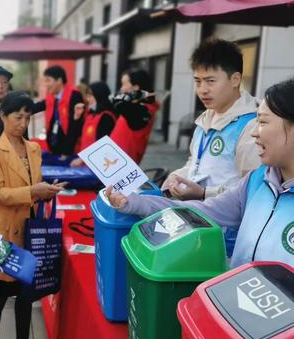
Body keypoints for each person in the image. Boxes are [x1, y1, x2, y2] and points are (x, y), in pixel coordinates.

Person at [107, 78, 294, 269]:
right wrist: (136, 202)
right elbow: (197, 213)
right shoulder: (257, 180)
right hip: (233, 294)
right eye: (197, 80)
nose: (254, 133)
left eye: (262, 122)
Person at [0, 91, 65, 339]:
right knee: (0, 293)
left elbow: (33, 186)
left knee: (27, 292)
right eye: (18, 116)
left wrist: (46, 192)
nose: (23, 122)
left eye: (28, 117)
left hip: (31, 230)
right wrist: (34, 191)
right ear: (3, 116)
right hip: (5, 233)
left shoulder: (34, 148)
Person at [162, 38, 260, 200]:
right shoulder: (205, 119)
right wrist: (176, 177)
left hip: (226, 222)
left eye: (210, 81)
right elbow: (195, 163)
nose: (203, 90)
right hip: (196, 215)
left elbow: (253, 185)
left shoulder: (251, 125)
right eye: (198, 81)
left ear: (235, 79)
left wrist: (204, 193)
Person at [110, 68, 159, 164]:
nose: (121, 88)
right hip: (114, 160)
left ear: (136, 87)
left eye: (124, 84)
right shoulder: (135, 106)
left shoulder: (141, 110)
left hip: (122, 164)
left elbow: (121, 106)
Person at [34, 65, 85, 156]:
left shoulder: (75, 96)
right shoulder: (52, 97)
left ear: (59, 80)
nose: (46, 84)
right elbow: (38, 106)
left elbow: (75, 126)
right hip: (54, 148)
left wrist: (67, 152)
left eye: (48, 80)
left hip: (70, 151)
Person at [70, 80, 117, 167]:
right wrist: (76, 118)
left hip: (100, 166)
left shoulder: (106, 117)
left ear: (100, 95)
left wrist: (82, 159)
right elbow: (77, 135)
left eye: (91, 96)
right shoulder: (90, 114)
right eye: (87, 96)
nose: (88, 100)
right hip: (85, 165)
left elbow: (103, 146)